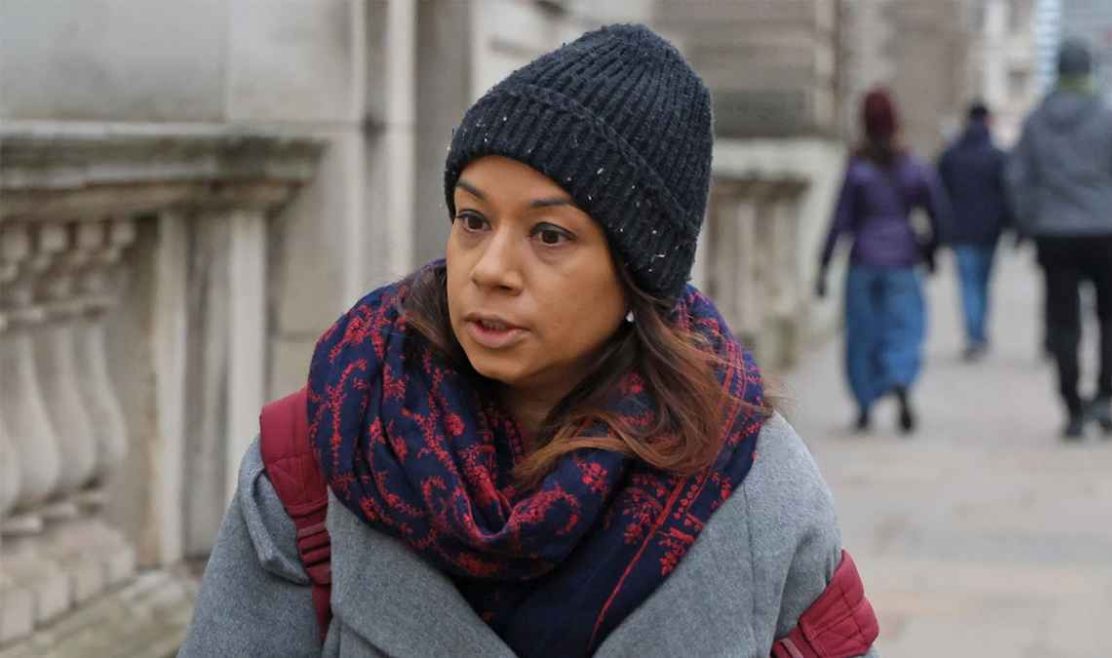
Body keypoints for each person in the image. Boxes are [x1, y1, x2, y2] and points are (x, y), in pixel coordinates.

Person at [179, 25, 879, 658]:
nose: (489, 270)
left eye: (549, 235)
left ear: (636, 275)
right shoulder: (329, 449)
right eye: (473, 220)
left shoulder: (752, 486)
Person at [1007, 39, 1112, 440]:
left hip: (1055, 233)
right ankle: (1105, 396)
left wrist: (1030, 221)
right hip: (1107, 230)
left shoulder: (1036, 121)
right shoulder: (1110, 118)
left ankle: (1071, 405)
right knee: (1109, 317)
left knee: (1063, 322)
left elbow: (1017, 179)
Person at [817, 89, 949, 435]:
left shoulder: (857, 169)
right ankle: (900, 379)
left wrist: (824, 264)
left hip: (863, 260)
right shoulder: (913, 166)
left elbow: (839, 220)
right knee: (904, 328)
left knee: (862, 334)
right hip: (903, 259)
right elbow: (937, 212)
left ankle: (864, 404)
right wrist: (931, 251)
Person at [937, 102, 1013, 361]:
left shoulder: (951, 156)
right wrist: (1010, 224)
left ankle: (974, 336)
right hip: (990, 231)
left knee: (968, 284)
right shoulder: (997, 157)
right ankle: (978, 334)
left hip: (960, 230)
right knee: (982, 284)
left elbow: (939, 194)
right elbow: (1008, 194)